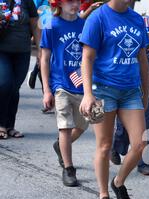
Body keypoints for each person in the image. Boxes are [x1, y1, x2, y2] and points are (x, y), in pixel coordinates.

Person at [79, 0, 149, 199]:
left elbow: (142, 58)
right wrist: (88, 94)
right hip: (103, 91)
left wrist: (144, 92)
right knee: (105, 145)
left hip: (130, 91)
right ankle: (103, 195)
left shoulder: (137, 19)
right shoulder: (97, 18)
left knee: (140, 142)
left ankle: (118, 183)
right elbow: (87, 57)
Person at [40, 0, 89, 187]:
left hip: (82, 85)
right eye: (70, 0)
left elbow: (91, 55)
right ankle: (69, 169)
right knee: (65, 127)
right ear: (59, 2)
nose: (75, 4)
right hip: (61, 84)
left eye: (78, 0)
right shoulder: (51, 25)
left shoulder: (84, 25)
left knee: (83, 125)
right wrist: (47, 90)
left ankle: (59, 145)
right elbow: (44, 59)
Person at [110, 16, 149, 176]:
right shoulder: (124, 52)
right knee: (122, 131)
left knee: (146, 133)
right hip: (126, 97)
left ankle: (143, 162)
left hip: (143, 99)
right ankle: (116, 148)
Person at [0, 0, 41, 139]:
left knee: (14, 87)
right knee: (4, 84)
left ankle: (10, 126)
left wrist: (40, 50)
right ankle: (1, 124)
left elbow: (35, 24)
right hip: (2, 50)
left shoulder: (27, 1)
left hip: (22, 51)